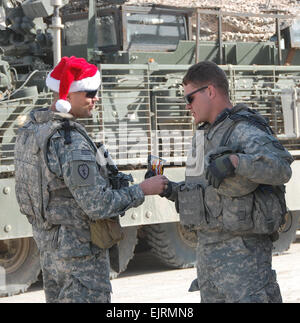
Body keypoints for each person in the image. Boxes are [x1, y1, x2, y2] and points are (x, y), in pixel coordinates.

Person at [14, 56, 168, 303]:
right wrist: (143, 190)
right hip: (80, 260)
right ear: (68, 96)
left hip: (51, 253)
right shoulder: (69, 141)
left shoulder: (32, 130)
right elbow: (97, 205)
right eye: (89, 93)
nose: (95, 98)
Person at [165, 61, 293, 303]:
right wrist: (170, 190)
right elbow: (204, 191)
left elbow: (281, 168)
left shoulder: (243, 129)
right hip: (208, 257)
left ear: (210, 91)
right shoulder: (203, 136)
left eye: (189, 99)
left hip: (243, 258)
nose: (187, 107)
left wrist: (236, 161)